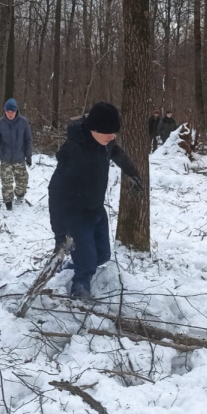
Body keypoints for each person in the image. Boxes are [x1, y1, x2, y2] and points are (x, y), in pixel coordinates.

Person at [48, 102, 142, 300]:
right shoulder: (72, 152)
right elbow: (55, 192)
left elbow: (116, 151)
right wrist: (59, 233)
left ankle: (74, 264)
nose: (112, 137)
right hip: (76, 214)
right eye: (109, 133)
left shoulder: (105, 142)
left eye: (114, 133)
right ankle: (80, 294)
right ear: (94, 129)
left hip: (97, 210)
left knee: (103, 255)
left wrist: (131, 171)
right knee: (89, 264)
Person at [0, 98, 32, 210]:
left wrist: (29, 156)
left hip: (19, 157)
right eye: (8, 112)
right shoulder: (0, 123)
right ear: (5, 111)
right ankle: (8, 201)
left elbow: (28, 139)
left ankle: (19, 195)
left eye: (12, 112)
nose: (10, 114)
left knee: (22, 181)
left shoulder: (23, 122)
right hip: (5, 158)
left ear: (16, 111)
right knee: (6, 183)